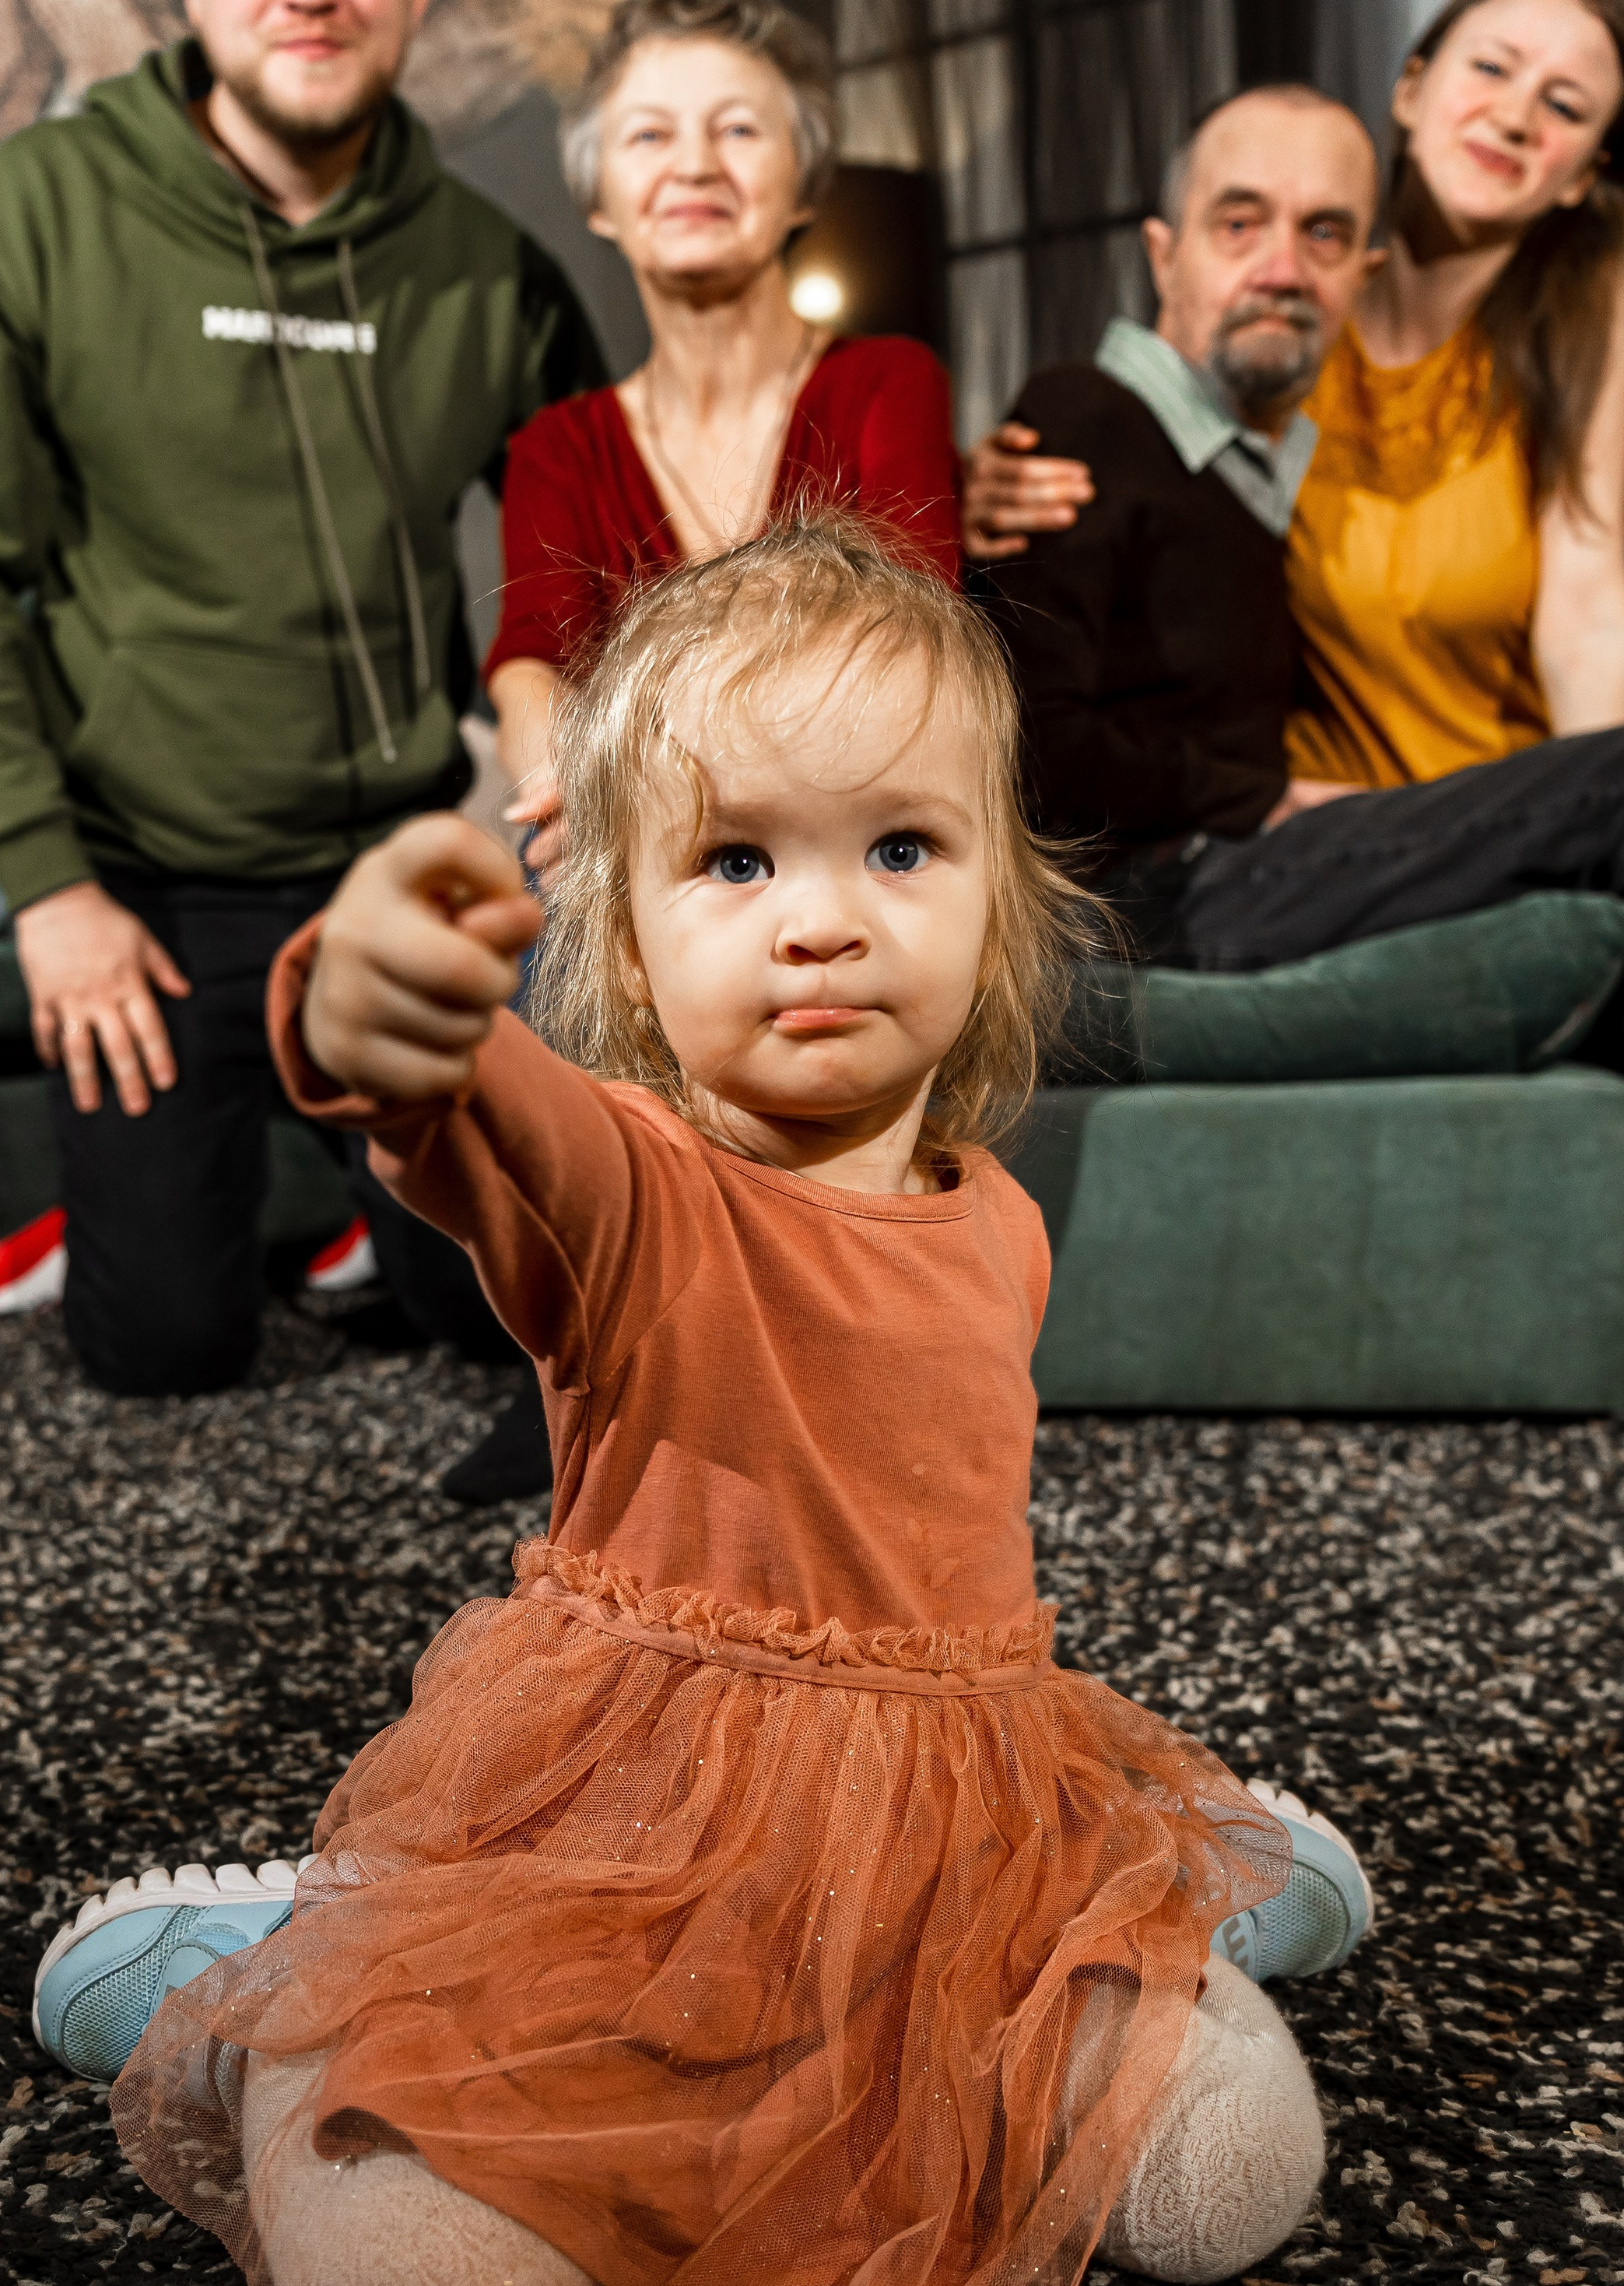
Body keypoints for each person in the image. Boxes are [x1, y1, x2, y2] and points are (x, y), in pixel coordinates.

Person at [30, 516, 1373, 2286]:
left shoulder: (995, 1214)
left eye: (897, 848)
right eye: (735, 858)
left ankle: (1161, 1881)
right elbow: (460, 1111)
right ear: (632, 939)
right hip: (630, 1849)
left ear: (1000, 890)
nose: (818, 918)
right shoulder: (633, 1185)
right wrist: (374, 1009)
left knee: (1233, 2187)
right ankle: (298, 1993)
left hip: (951, 1838)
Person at [984, 27, 1624, 1448]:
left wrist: (1551, 823)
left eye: (1316, 236)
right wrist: (969, 485)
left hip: (1334, 832)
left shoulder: (1272, 433)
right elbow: (1038, 727)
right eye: (1243, 226)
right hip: (1210, 868)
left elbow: (1588, 587)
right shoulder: (1137, 406)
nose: (1282, 261)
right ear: (1165, 253)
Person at [0, 0, 605, 1483]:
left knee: (489, 1320)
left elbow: (602, 528)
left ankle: (353, 1196)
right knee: (167, 1351)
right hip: (145, 881)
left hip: (390, 883)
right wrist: (49, 889)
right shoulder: (33, 214)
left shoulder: (490, 269)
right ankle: (203, 1192)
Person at [453, 0, 966, 1505]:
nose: (696, 163)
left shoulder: (884, 383)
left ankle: (777, 1365)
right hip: (637, 846)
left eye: (740, 129)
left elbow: (897, 635)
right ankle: (600, 1370)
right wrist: (583, 800)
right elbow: (536, 665)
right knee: (582, 898)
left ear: (801, 181)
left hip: (846, 827)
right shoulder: (559, 442)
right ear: (602, 195)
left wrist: (683, 795)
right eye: (652, 136)